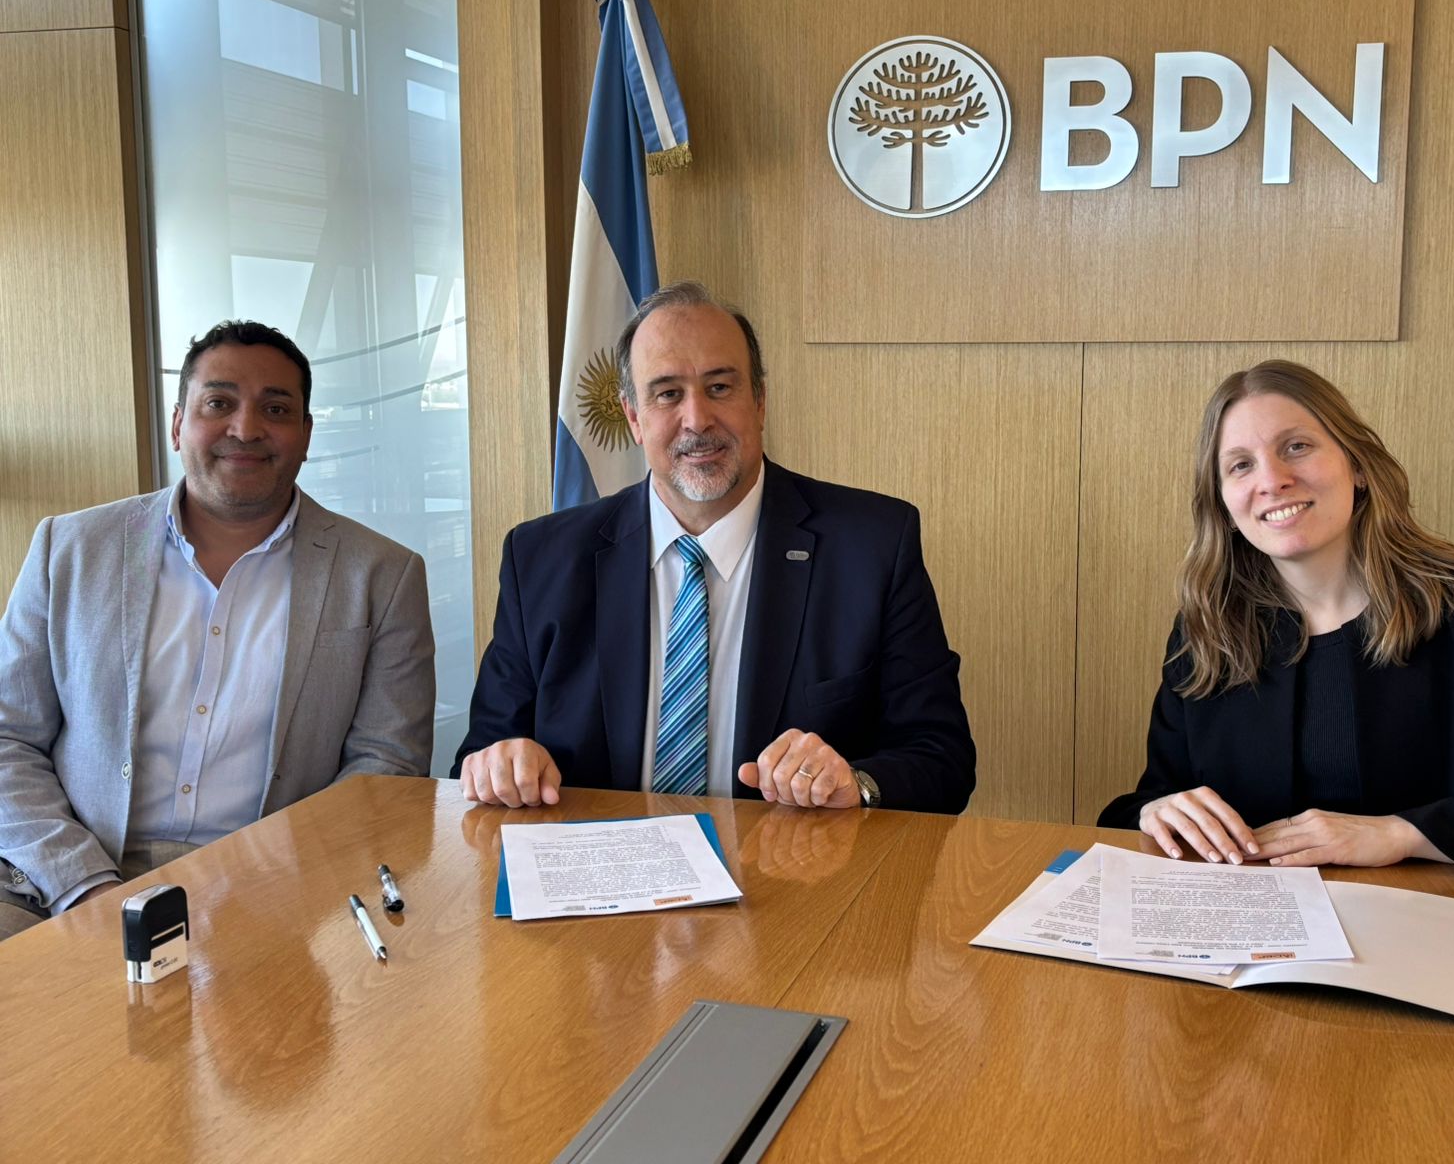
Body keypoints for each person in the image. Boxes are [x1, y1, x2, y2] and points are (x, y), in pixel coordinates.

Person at [456, 282, 975, 813]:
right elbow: (478, 759)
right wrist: (498, 766)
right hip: (600, 861)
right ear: (633, 417)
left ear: (760, 401)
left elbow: (942, 759)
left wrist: (856, 783)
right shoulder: (539, 559)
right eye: (667, 394)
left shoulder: (873, 546)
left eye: (720, 387)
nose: (697, 419)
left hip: (793, 862)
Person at [0, 320, 435, 941]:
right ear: (179, 424)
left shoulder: (384, 575)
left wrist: (263, 888)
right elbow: (8, 738)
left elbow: (385, 765)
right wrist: (84, 884)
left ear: (306, 434)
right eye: (219, 403)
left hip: (274, 890)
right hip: (61, 879)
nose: (246, 428)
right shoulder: (68, 549)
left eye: (276, 408)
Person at [1099, 360, 1454, 890]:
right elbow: (1156, 799)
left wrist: (1403, 833)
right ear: (1223, 505)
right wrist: (1155, 811)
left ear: (1357, 466)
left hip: (1426, 922)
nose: (1272, 480)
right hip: (1242, 930)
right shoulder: (1207, 631)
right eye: (1241, 465)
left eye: (1296, 446)